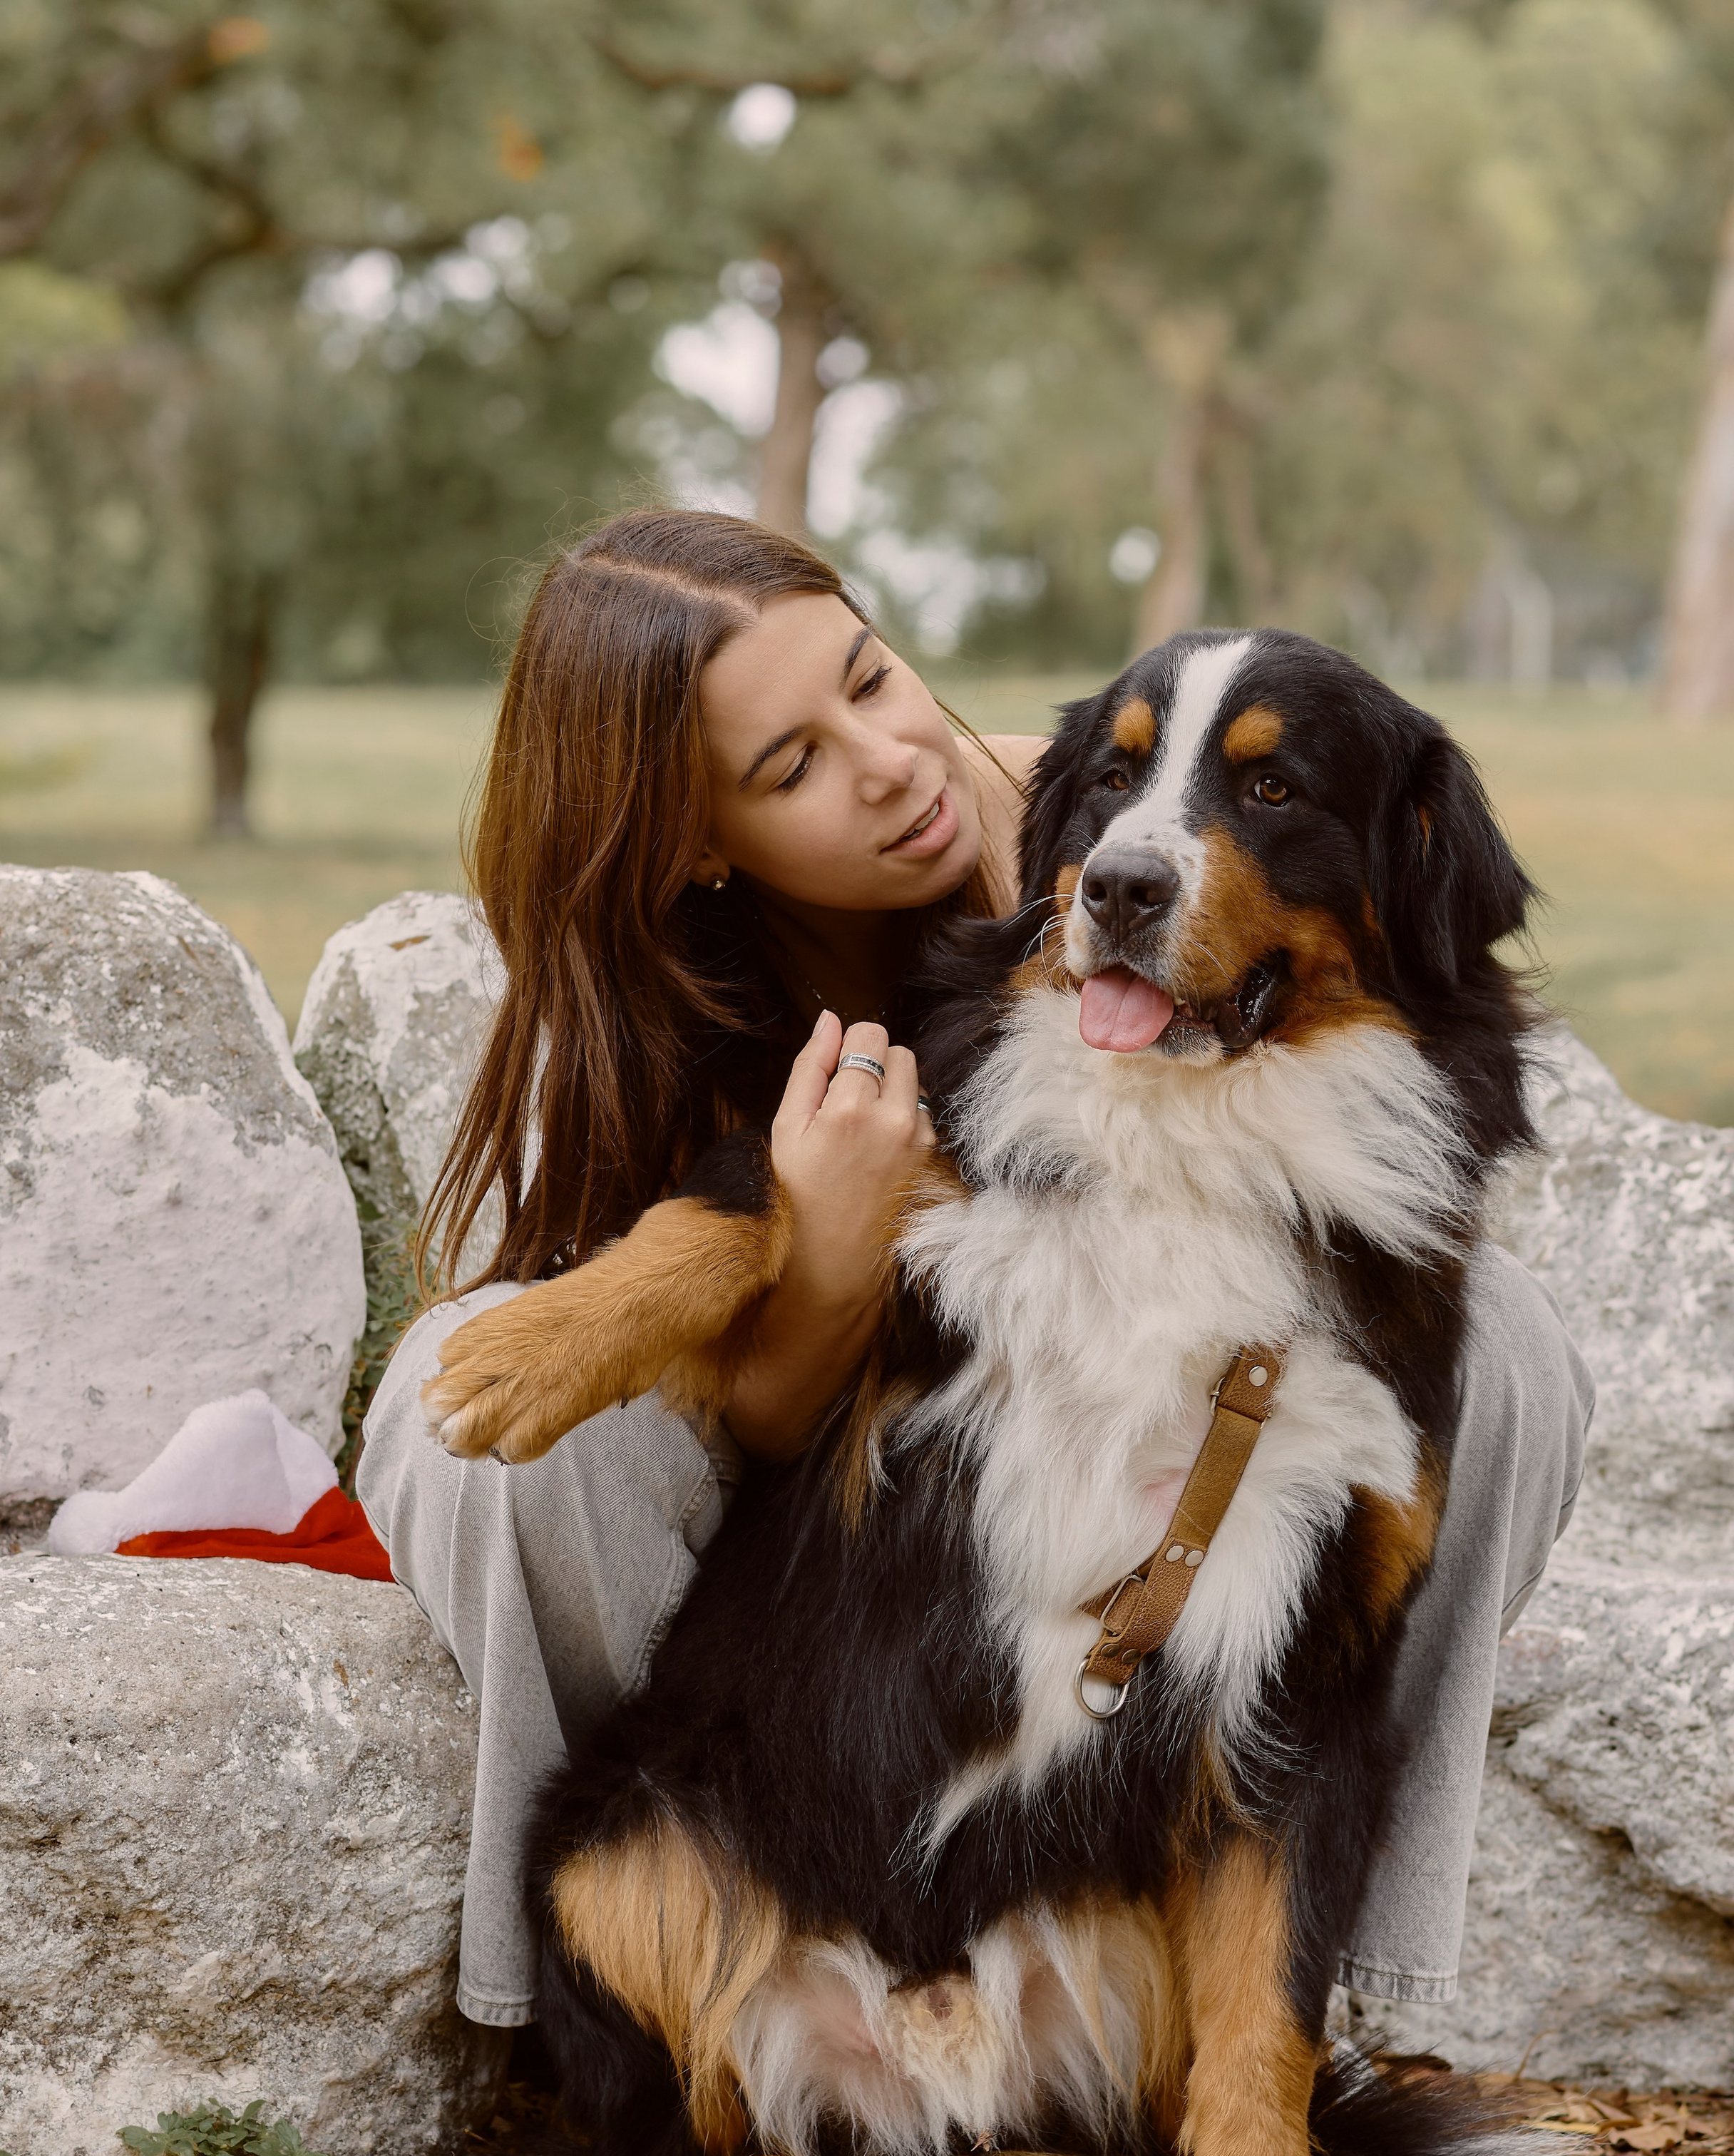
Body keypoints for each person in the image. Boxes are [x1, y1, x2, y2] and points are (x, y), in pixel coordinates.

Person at [356, 506, 1592, 2056]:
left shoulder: (1081, 806)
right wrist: (825, 1244)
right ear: (687, 839)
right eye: (789, 765)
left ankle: (1291, 2003)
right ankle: (653, 2000)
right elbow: (748, 1419)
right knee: (474, 1398)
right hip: (803, 1548)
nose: (886, 762)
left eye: (870, 680)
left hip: (1131, 1458)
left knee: (1509, 1348)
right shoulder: (661, 1002)